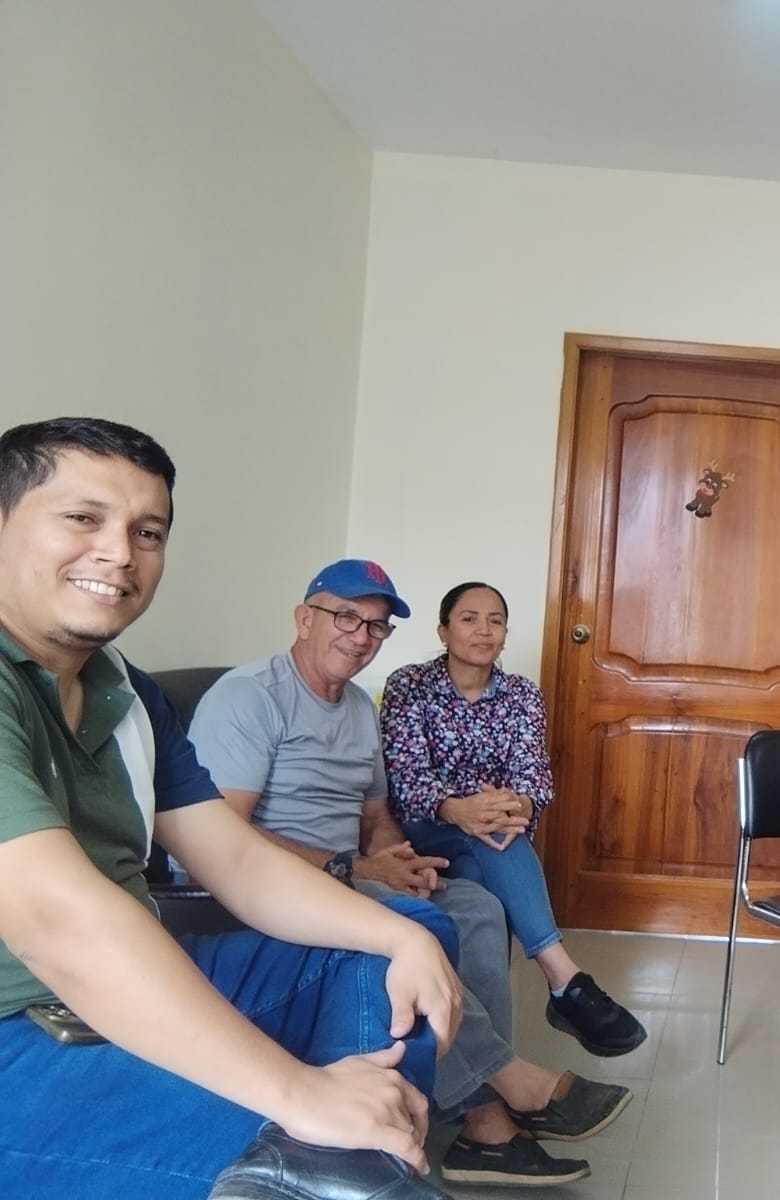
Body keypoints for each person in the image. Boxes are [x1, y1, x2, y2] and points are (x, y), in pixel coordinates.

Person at [0, 418, 464, 1200]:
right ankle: (328, 1159)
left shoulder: (126, 690)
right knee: (327, 1165)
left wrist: (400, 934)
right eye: (82, 517)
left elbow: (238, 859)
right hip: (19, 1031)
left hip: (128, 985)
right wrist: (297, 1092)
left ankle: (350, 1147)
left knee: (401, 942)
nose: (120, 553)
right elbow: (57, 923)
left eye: (147, 532)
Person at [189, 560, 631, 1189]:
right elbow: (219, 833)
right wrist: (355, 865)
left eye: (376, 626)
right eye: (346, 617)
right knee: (414, 925)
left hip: (352, 870)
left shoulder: (357, 708)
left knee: (476, 907)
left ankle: (481, 1113)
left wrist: (398, 858)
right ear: (304, 618)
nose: (361, 636)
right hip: (274, 882)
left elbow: (376, 815)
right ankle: (498, 1102)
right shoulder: (250, 696)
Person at [381, 582, 646, 1057]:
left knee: (486, 875)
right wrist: (457, 809)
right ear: (443, 631)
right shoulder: (409, 685)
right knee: (496, 840)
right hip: (426, 824)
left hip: (496, 832)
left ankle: (489, 1052)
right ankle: (564, 981)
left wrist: (516, 805)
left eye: (496, 620)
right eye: (469, 619)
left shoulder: (522, 694)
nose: (484, 630)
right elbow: (405, 777)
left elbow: (534, 779)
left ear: (505, 633)